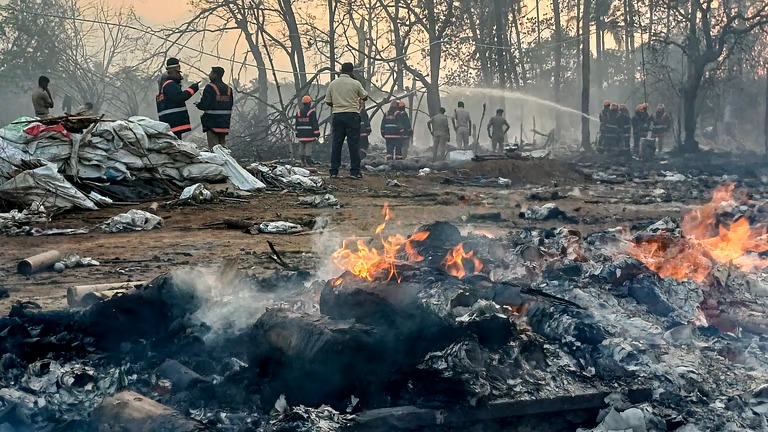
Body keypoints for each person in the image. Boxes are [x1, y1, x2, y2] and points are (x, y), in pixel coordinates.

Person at [325, 62, 368, 179]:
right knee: (353, 144)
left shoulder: (333, 84)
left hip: (338, 115)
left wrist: (338, 104)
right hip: (352, 115)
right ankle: (354, 172)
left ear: (340, 70)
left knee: (336, 143)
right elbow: (365, 97)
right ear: (352, 71)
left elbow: (328, 101)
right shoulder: (355, 83)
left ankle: (334, 171)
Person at [156, 58, 199, 139]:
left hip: (168, 122)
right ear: (173, 71)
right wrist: (193, 88)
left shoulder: (162, 87)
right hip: (174, 121)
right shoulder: (170, 85)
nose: (180, 76)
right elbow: (179, 98)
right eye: (178, 72)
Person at [196, 66, 233, 150]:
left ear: (215, 75)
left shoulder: (210, 87)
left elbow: (205, 104)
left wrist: (198, 105)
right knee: (223, 148)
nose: (209, 75)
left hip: (212, 123)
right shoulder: (228, 89)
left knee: (214, 149)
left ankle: (218, 163)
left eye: (211, 73)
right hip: (224, 123)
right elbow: (230, 105)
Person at [295, 95, 320, 167]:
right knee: (308, 148)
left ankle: (302, 162)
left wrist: (297, 133)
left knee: (301, 147)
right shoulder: (312, 112)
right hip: (309, 134)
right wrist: (317, 133)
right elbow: (314, 123)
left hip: (301, 134)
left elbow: (296, 124)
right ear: (309, 103)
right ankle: (308, 162)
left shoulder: (298, 112)